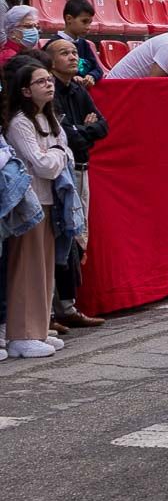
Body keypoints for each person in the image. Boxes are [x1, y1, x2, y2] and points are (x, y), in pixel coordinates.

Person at [4, 62, 72, 358]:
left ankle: (40, 329)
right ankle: (22, 333)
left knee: (44, 267)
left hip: (50, 201)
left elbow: (62, 155)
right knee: (27, 268)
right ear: (25, 91)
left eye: (49, 80)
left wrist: (56, 154)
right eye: (41, 81)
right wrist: (57, 153)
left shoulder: (51, 118)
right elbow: (43, 165)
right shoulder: (20, 122)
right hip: (29, 202)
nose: (49, 84)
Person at [44, 38, 107, 329]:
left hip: (83, 168)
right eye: (64, 53)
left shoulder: (79, 89)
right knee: (61, 238)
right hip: (61, 172)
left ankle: (67, 305)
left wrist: (79, 129)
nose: (72, 57)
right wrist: (84, 128)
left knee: (77, 239)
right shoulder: (48, 92)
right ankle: (54, 309)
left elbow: (102, 127)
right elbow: (61, 134)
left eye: (73, 53)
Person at [57, 0, 103, 88]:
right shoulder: (54, 45)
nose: (88, 27)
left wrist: (91, 76)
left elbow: (97, 69)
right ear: (69, 19)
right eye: (84, 22)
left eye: (90, 23)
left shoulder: (84, 44)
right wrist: (71, 78)